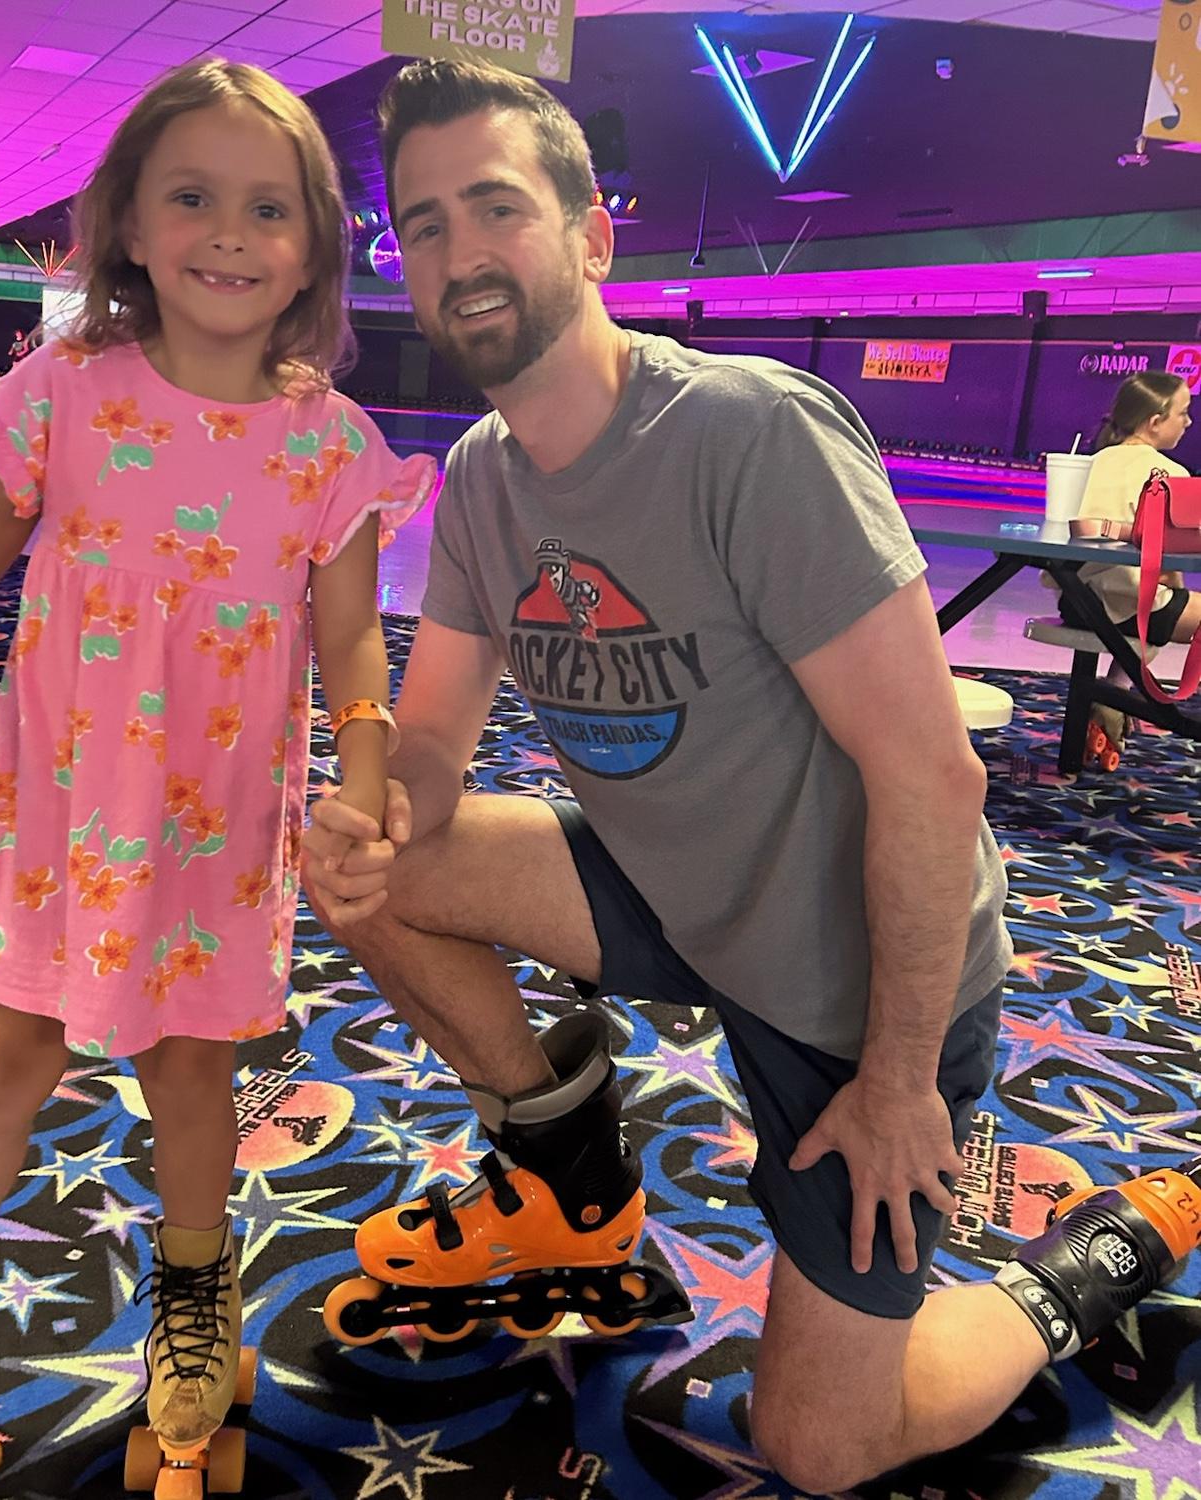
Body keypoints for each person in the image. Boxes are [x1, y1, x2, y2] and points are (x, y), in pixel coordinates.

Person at [305, 58, 1201, 1492]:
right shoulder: (479, 475)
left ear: (594, 235)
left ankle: (1085, 1269)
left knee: (821, 1446)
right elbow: (429, 748)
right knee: (369, 864)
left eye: (496, 207)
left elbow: (931, 781)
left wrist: (904, 1076)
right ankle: (570, 1183)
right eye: (422, 224)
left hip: (860, 977)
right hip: (672, 890)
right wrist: (370, 814)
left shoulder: (748, 435)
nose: (460, 253)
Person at [0, 59, 434, 1495]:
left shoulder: (326, 447)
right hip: (63, 805)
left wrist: (367, 769)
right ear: (127, 223)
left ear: (313, 246)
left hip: (221, 820)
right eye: (193, 198)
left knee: (194, 1071)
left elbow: (355, 635)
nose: (230, 236)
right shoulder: (66, 393)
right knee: (9, 1052)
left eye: (267, 209)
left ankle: (195, 1299)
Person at [1058, 371, 1200, 760]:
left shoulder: (1094, 461)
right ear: (1155, 421)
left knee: (1160, 604)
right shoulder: (1171, 474)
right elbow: (1171, 564)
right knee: (1168, 602)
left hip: (1074, 600)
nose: (1188, 422)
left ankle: (1115, 693)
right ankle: (1117, 694)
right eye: (1183, 414)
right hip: (1130, 603)